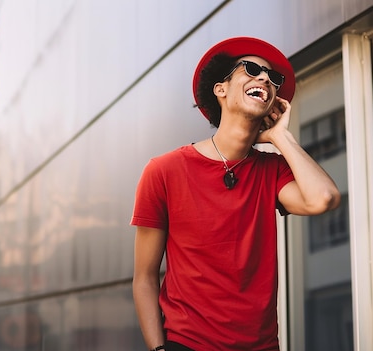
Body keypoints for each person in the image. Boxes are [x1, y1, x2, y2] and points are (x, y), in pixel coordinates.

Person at [131, 37, 341, 351]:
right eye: (253, 70)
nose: (265, 80)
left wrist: (281, 136)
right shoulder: (163, 171)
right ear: (221, 88)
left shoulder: (272, 169)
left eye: (273, 79)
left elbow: (323, 198)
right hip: (189, 344)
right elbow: (144, 277)